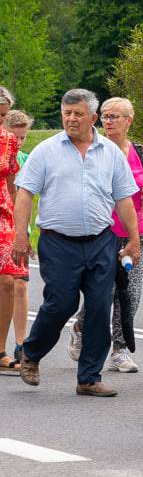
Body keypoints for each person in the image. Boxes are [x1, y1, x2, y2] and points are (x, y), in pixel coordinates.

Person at [12, 88, 141, 396]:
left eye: (78, 114)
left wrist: (134, 240)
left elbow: (124, 198)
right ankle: (31, 353)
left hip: (100, 241)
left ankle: (89, 377)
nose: (71, 119)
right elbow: (25, 193)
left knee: (99, 306)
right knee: (61, 303)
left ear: (93, 117)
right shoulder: (46, 150)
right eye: (66, 113)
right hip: (58, 243)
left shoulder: (110, 152)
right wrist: (21, 235)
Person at [68, 98, 143, 373]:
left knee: (130, 293)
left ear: (129, 120)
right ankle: (81, 326)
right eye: (105, 116)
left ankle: (120, 349)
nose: (109, 121)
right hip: (102, 232)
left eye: (115, 116)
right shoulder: (95, 151)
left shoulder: (139, 152)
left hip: (134, 232)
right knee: (103, 292)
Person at [2, 109, 33, 372]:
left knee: (15, 282)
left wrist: (21, 231)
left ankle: (13, 347)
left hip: (9, 220)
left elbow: (18, 190)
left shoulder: (16, 150)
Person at [0, 88, 25, 376]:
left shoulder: (8, 140)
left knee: (7, 281)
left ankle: (1, 350)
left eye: (4, 117)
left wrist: (21, 224)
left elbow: (11, 181)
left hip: (4, 214)